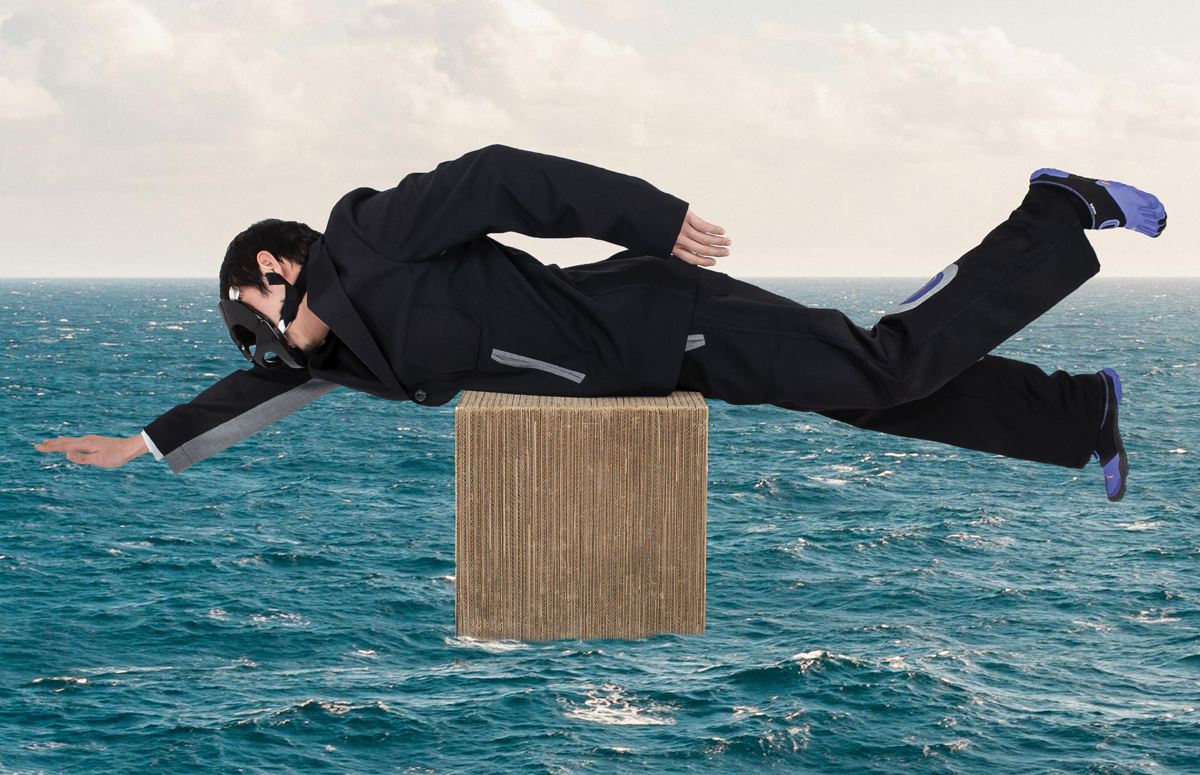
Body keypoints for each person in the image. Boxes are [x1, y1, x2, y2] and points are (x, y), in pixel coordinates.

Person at [34, 146, 1167, 502]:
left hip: (668, 314)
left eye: (258, 308)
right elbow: (260, 390)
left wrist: (655, 217)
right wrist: (141, 442)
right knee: (872, 393)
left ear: (276, 264)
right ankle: (1081, 414)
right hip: (662, 368)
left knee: (879, 365)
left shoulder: (366, 233)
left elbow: (504, 178)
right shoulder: (359, 360)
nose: (269, 343)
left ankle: (1056, 211)